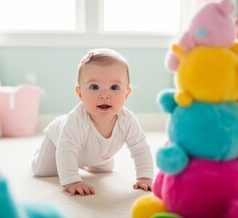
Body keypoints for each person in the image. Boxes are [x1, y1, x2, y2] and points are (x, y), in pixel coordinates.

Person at [31, 48, 154, 196]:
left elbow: (140, 148)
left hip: (95, 154)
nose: (104, 95)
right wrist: (72, 181)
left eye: (114, 87)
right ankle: (49, 158)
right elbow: (66, 150)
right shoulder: (76, 120)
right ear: (80, 93)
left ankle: (84, 163)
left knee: (106, 168)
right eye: (94, 87)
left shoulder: (127, 120)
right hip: (57, 140)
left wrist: (145, 177)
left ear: (126, 94)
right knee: (43, 171)